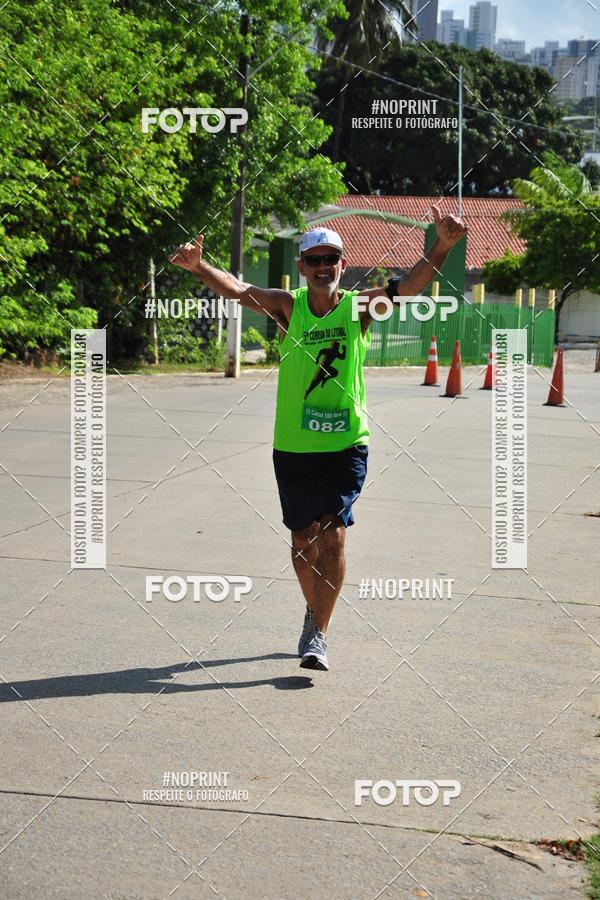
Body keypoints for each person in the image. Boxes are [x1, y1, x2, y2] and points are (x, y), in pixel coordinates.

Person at [169, 207, 467, 671]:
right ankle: (315, 611)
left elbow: (408, 287)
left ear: (342, 266)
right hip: (293, 445)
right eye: (315, 259)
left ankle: (318, 635)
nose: (324, 266)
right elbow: (243, 291)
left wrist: (443, 247)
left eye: (332, 258)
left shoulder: (358, 307)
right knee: (302, 539)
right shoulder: (290, 307)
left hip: (346, 444)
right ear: (302, 267)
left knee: (333, 535)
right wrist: (199, 267)